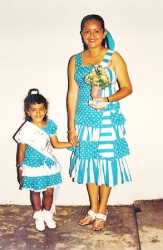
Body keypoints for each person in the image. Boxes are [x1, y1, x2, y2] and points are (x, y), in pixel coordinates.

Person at [67, 14, 133, 231]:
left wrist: (106, 99)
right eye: (87, 31)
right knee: (88, 165)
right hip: (84, 121)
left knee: (106, 165)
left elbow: (127, 88)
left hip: (106, 120)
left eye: (96, 31)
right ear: (82, 34)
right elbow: (72, 94)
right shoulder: (75, 60)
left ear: (103, 33)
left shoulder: (113, 57)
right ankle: (93, 209)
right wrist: (71, 126)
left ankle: (102, 210)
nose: (92, 35)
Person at [14, 88, 75, 232]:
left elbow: (56, 144)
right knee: (35, 191)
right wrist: (20, 168)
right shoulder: (26, 129)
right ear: (28, 112)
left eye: (41, 109)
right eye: (34, 110)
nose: (38, 113)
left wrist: (71, 144)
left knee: (49, 192)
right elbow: (21, 151)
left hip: (48, 165)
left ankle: (47, 214)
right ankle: (38, 216)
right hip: (32, 166)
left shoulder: (50, 125)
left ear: (46, 110)